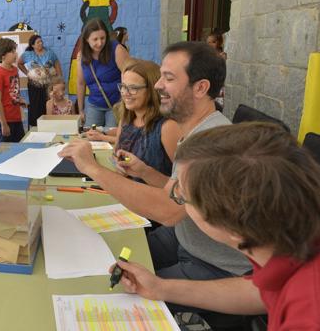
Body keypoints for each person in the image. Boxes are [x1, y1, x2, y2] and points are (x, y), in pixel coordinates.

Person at [60, 42, 251, 318]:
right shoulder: (196, 130)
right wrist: (144, 172)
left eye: (169, 78)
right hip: (183, 239)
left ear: (200, 88)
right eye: (160, 76)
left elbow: (169, 210)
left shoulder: (211, 143)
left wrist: (94, 169)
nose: (158, 85)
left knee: (119, 297)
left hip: (214, 265)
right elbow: (177, 197)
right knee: (107, 260)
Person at [116, 123, 320, 330]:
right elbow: (260, 291)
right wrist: (160, 288)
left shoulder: (308, 316)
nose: (175, 194)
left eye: (182, 197)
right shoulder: (290, 239)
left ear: (234, 228)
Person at [86, 59, 180, 184]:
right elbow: (117, 155)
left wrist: (145, 173)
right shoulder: (126, 120)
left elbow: (183, 187)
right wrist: (118, 164)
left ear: (152, 90)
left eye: (133, 88)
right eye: (123, 87)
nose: (125, 93)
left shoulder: (168, 127)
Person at [76, 18, 130, 129]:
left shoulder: (117, 49)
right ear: (87, 39)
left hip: (116, 104)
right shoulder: (82, 56)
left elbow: (129, 76)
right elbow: (81, 83)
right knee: (90, 136)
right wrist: (81, 109)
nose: (100, 43)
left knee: (111, 137)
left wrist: (126, 104)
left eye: (102, 38)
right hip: (94, 104)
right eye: (95, 39)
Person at [18, 35, 62, 127]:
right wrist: (27, 73)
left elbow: (57, 66)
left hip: (48, 85)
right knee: (35, 106)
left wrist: (59, 80)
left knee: (47, 104)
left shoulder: (50, 53)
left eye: (41, 41)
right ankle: (35, 126)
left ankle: (48, 125)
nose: (40, 43)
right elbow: (19, 63)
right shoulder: (27, 54)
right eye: (38, 42)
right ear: (32, 45)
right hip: (34, 86)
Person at [0, 38, 27, 142]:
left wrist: (20, 100)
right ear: (3, 56)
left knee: (20, 146)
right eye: (12, 52)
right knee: (6, 150)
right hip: (4, 119)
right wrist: (3, 124)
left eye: (15, 50)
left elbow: (14, 91)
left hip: (16, 117)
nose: (15, 54)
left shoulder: (15, 70)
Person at [206, 31, 226, 110]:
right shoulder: (207, 55)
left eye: (213, 42)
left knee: (218, 107)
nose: (210, 44)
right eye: (208, 42)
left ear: (219, 43)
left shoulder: (222, 56)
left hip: (219, 85)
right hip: (210, 85)